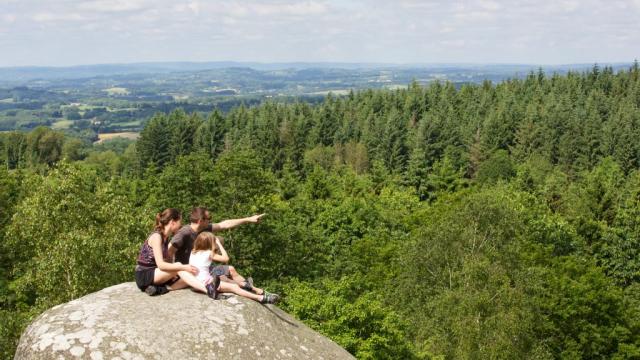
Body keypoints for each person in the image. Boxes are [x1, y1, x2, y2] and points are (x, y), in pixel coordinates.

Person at [189, 231, 279, 304]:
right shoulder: (208, 253)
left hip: (197, 283)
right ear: (209, 243)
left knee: (234, 283)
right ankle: (260, 297)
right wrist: (219, 244)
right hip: (208, 284)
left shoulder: (193, 252)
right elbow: (226, 258)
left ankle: (256, 290)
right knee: (234, 287)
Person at [135, 208, 206, 296]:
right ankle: (207, 290)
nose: (181, 225)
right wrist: (181, 267)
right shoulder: (157, 237)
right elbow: (161, 264)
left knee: (190, 274)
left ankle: (161, 289)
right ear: (173, 222)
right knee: (180, 267)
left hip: (155, 273)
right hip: (145, 275)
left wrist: (175, 271)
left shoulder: (165, 237)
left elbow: (165, 261)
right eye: (180, 222)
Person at [168, 207, 264, 267]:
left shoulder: (204, 228)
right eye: (209, 218)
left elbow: (224, 224)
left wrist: (248, 219)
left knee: (220, 239)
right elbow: (169, 251)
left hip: (199, 267)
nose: (210, 220)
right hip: (188, 270)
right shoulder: (184, 233)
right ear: (200, 220)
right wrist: (174, 272)